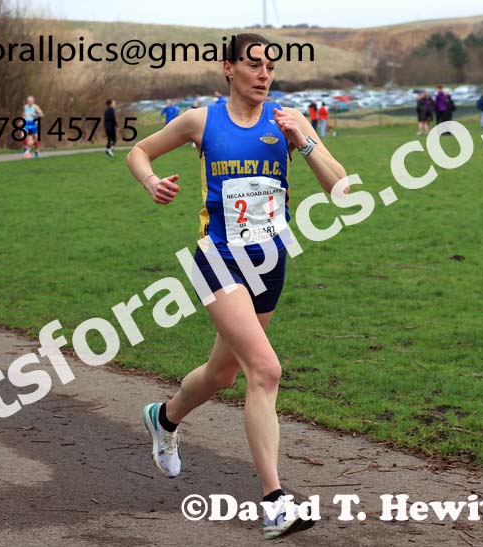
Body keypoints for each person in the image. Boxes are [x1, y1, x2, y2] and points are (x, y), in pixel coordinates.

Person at [127, 33, 347, 540]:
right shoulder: (201, 121)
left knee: (222, 375)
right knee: (266, 370)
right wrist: (150, 182)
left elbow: (340, 187)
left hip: (269, 262)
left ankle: (164, 417)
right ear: (229, 68)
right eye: (253, 65)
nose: (264, 74)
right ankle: (274, 502)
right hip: (218, 260)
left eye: (271, 66)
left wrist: (305, 139)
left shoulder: (287, 121)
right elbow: (139, 151)